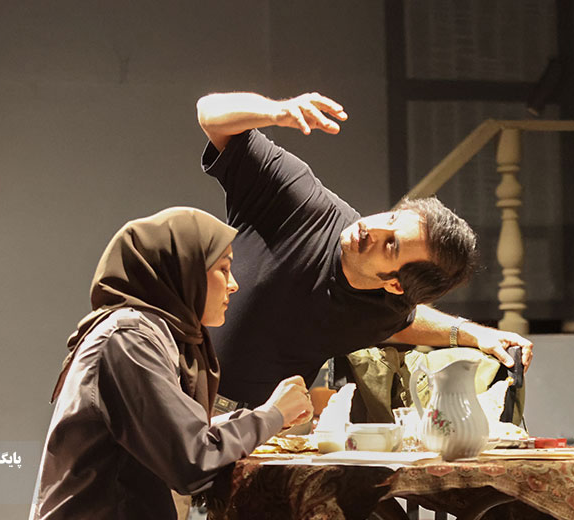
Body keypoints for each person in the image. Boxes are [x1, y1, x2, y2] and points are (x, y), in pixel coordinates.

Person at [17, 207, 313, 520]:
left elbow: (182, 437)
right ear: (182, 271)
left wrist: (262, 421)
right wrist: (272, 415)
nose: (234, 284)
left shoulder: (145, 332)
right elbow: (191, 459)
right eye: (223, 269)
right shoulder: (128, 338)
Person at [197, 91, 533, 408]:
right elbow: (210, 114)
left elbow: (403, 320)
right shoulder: (299, 202)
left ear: (395, 285)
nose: (371, 228)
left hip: (257, 424)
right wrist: (276, 111)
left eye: (391, 245)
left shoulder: (385, 307)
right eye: (392, 218)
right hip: (181, 392)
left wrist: (473, 334)